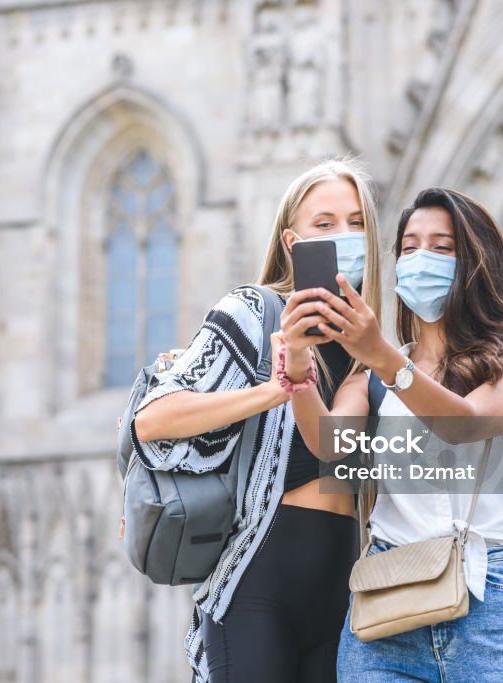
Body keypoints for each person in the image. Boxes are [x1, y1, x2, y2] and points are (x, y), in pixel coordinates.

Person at [281, 187, 503, 681]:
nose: (420, 258)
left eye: (441, 247)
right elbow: (329, 444)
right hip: (387, 607)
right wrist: (298, 368)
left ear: (475, 263)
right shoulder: (366, 379)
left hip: (491, 600)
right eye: (409, 247)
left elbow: (463, 424)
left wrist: (385, 356)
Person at [131, 158, 382, 683]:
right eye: (325, 224)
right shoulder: (253, 310)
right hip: (258, 583)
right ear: (293, 242)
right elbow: (152, 420)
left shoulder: (371, 347)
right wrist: (273, 390)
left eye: (358, 223)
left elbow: (337, 450)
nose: (345, 236)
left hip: (345, 590)